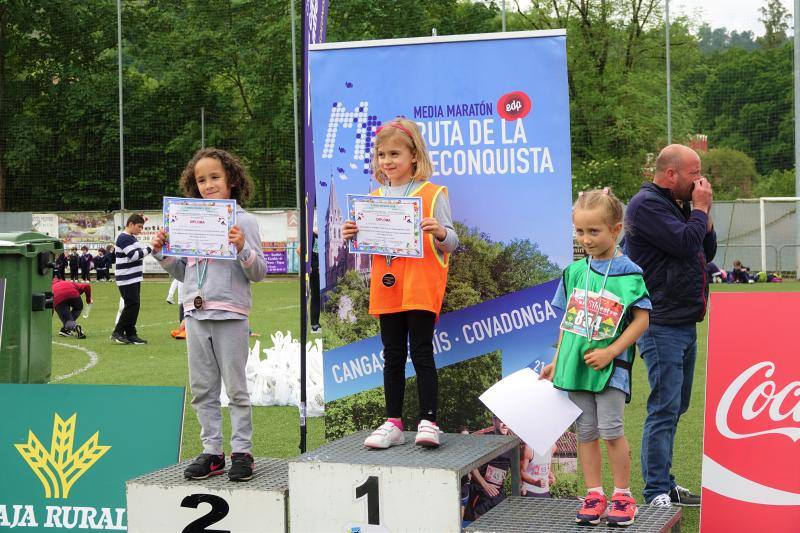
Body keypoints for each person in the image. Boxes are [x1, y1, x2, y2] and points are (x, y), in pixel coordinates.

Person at [342, 118, 459, 449]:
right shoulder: (372, 198)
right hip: (388, 286)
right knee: (392, 354)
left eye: (395, 154)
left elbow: (452, 242)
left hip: (420, 287)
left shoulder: (432, 194)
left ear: (414, 156)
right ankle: (392, 422)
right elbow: (367, 245)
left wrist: (439, 232)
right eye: (381, 155)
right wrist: (352, 235)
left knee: (421, 351)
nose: (387, 161)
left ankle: (429, 421)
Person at [152, 147, 266, 482]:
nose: (208, 184)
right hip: (195, 315)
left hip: (231, 315)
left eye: (215, 177)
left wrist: (242, 247)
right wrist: (162, 254)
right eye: (201, 180)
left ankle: (242, 452)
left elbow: (258, 272)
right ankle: (213, 452)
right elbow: (184, 272)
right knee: (202, 388)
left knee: (236, 389)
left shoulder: (244, 221)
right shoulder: (188, 220)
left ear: (232, 180)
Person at [541, 188, 651, 527]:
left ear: (615, 230)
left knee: (611, 430)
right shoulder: (575, 271)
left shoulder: (629, 273)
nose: (586, 239)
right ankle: (594, 494)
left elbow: (643, 320)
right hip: (576, 369)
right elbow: (568, 321)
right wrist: (557, 359)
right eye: (580, 231)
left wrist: (611, 352)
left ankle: (623, 496)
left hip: (611, 369)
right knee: (586, 432)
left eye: (594, 231)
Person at [624, 144, 715, 508]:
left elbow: (705, 252)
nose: (700, 180)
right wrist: (701, 209)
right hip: (660, 323)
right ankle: (656, 491)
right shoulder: (646, 205)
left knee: (675, 406)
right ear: (671, 174)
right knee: (664, 407)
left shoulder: (676, 205)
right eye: (694, 173)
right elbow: (685, 244)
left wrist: (701, 212)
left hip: (683, 320)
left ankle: (666, 482)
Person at [112, 214, 152, 345]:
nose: (141, 230)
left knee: (134, 305)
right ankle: (118, 332)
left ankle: (131, 334)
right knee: (132, 305)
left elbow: (138, 254)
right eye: (139, 226)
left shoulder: (131, 238)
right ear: (131, 224)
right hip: (126, 277)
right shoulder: (123, 238)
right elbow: (134, 255)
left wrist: (148, 249)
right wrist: (150, 248)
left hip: (132, 277)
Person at [464, 416, 514, 520]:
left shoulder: (512, 442)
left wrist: (522, 485)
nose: (505, 424)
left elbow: (516, 468)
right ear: (494, 421)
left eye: (507, 421)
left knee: (500, 524)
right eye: (501, 420)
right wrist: (485, 485)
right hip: (480, 491)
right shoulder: (485, 440)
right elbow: (471, 465)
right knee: (479, 525)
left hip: (498, 492)